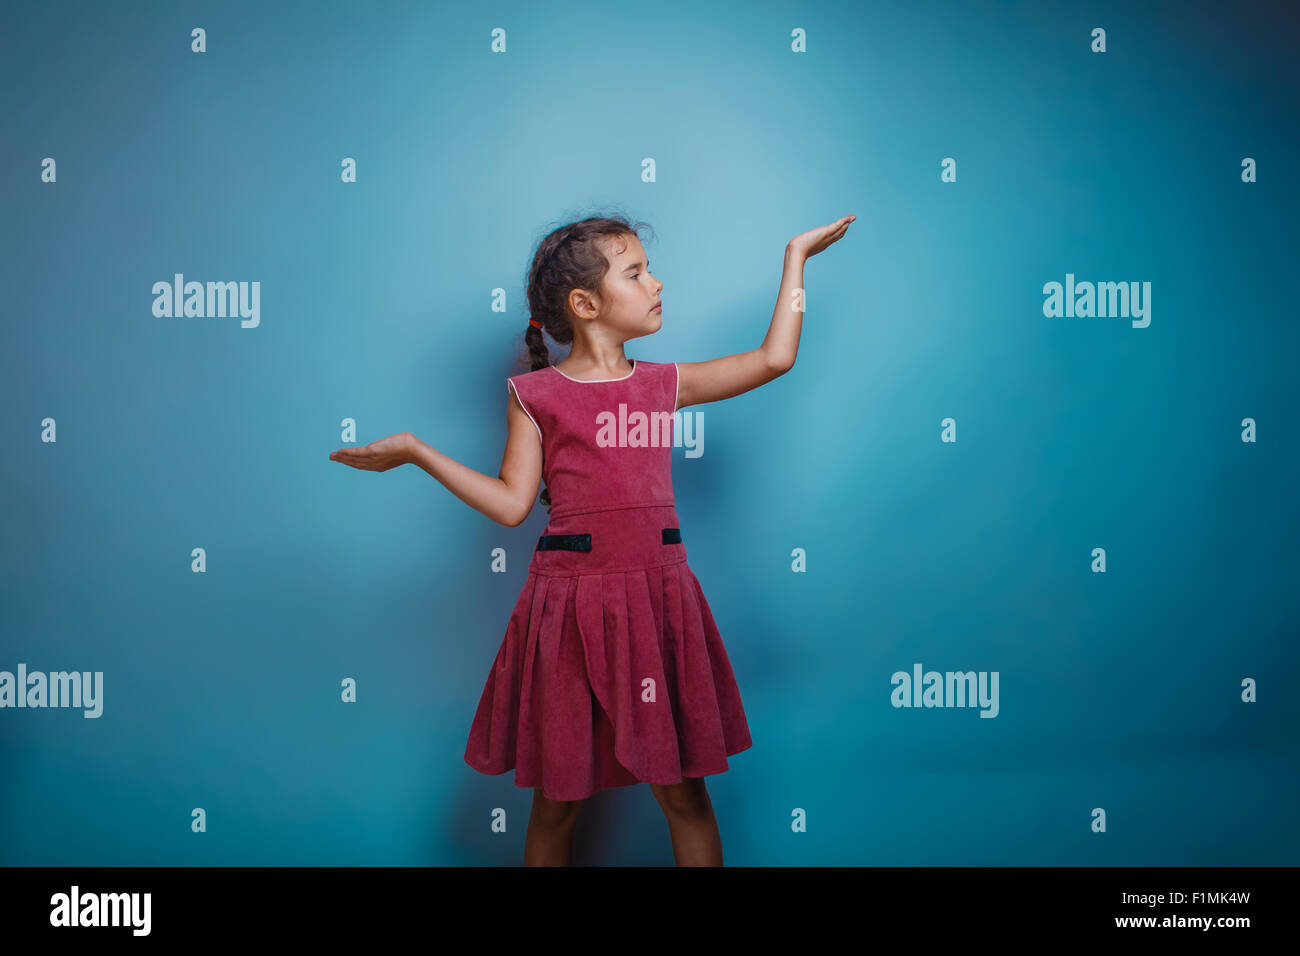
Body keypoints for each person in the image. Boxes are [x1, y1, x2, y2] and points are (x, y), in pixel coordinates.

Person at [330, 211, 855, 865]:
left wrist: (796, 259)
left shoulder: (663, 385)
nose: (657, 283)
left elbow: (775, 359)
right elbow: (512, 505)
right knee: (558, 804)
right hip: (569, 608)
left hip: (656, 601)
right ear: (585, 304)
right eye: (636, 273)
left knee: (686, 796)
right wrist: (415, 451)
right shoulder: (535, 396)